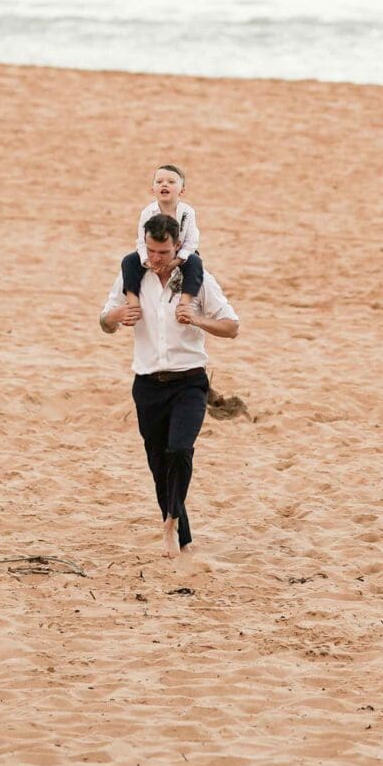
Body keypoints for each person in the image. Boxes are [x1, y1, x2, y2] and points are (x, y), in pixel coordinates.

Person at [100, 212, 240, 559]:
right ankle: (181, 533)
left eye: (162, 252)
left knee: (179, 450)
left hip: (189, 382)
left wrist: (199, 319)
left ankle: (171, 520)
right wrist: (117, 318)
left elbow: (232, 326)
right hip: (147, 384)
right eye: (150, 251)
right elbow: (104, 321)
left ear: (177, 246)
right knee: (158, 463)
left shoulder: (198, 279)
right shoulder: (132, 276)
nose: (155, 259)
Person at [118, 163, 204, 325]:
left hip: (181, 254)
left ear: (182, 191)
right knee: (128, 261)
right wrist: (147, 261)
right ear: (152, 190)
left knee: (195, 262)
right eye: (159, 182)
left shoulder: (188, 212)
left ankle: (184, 303)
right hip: (152, 253)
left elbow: (192, 241)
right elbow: (141, 241)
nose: (164, 184)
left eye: (171, 182)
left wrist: (177, 261)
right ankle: (133, 303)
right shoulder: (147, 212)